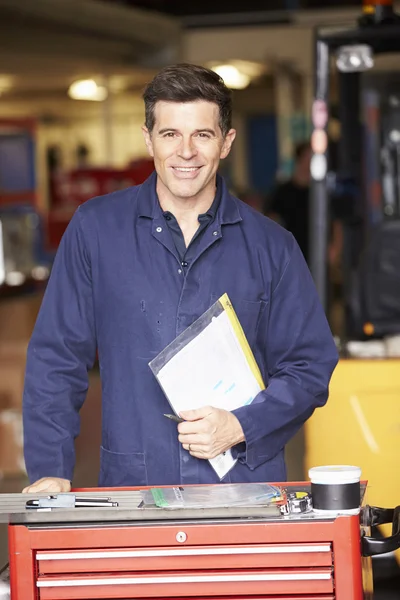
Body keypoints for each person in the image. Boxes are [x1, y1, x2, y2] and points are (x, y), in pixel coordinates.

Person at [22, 64, 338, 494]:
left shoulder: (273, 247)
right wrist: (48, 468)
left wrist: (241, 425)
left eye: (202, 135)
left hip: (244, 491)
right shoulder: (96, 231)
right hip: (136, 488)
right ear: (148, 138)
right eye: (170, 134)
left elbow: (309, 366)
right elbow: (57, 357)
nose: (185, 151)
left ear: (225, 142)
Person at [265, 142, 343, 267]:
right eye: (307, 158)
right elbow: (270, 223)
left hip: (318, 256)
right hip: (292, 257)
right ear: (299, 160)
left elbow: (336, 222)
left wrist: (335, 248)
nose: (309, 163)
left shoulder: (322, 192)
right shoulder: (282, 193)